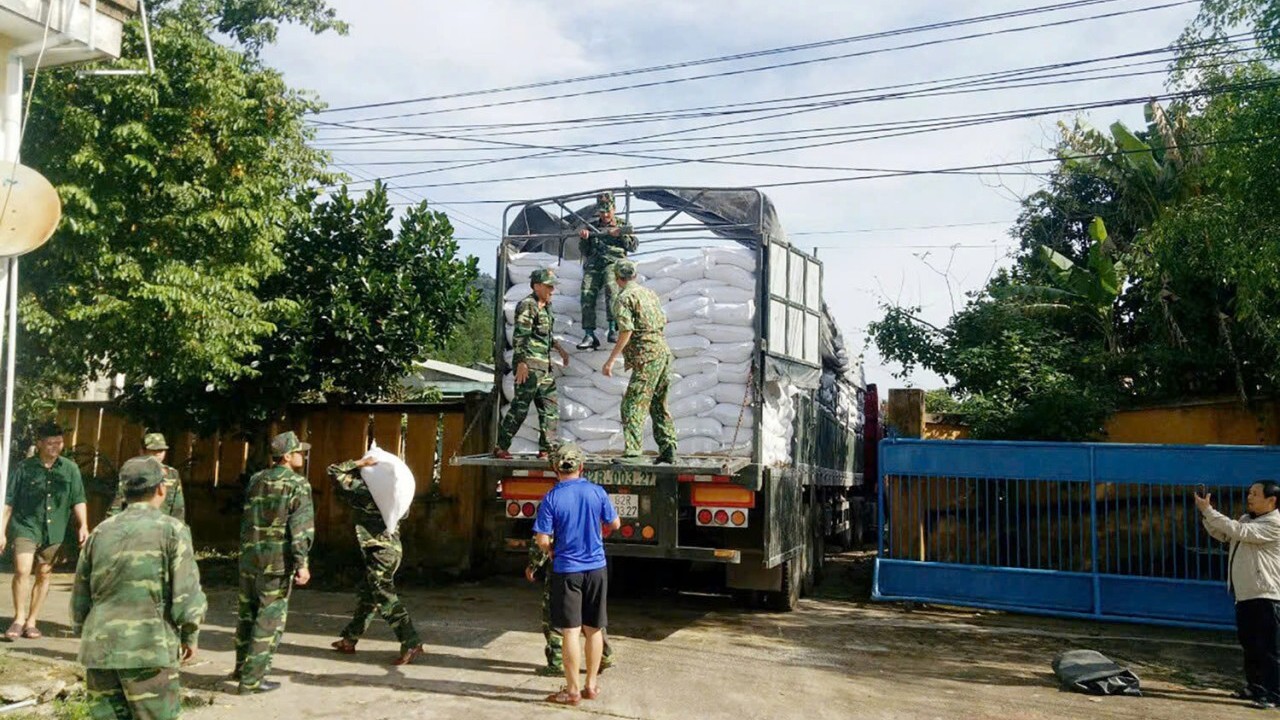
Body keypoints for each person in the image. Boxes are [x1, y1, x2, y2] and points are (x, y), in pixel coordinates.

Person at [72, 456, 207, 720]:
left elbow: (80, 594)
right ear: (161, 489)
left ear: (123, 491)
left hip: (100, 650)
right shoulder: (172, 530)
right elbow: (186, 596)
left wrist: (83, 631)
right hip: (149, 651)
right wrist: (190, 634)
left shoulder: (100, 532)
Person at [532, 443, 620, 705]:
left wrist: (550, 551)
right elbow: (614, 523)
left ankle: (571, 691)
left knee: (570, 632)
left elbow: (542, 539)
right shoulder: (597, 492)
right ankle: (591, 686)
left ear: (555, 469)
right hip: (596, 568)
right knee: (594, 629)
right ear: (582, 467)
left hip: (567, 571)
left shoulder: (552, 498)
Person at [234, 431, 315, 695]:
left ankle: (240, 668)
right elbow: (300, 528)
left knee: (247, 613)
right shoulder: (298, 484)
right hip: (276, 562)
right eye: (299, 452)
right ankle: (252, 680)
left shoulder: (257, 479)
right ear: (287, 456)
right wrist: (302, 563)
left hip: (249, 557)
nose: (302, 455)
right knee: (268, 620)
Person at [327, 456, 426, 665]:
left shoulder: (365, 491)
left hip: (379, 552)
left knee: (384, 597)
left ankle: (410, 641)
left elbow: (334, 471)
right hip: (391, 550)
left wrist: (360, 464)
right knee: (369, 596)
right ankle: (349, 639)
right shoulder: (391, 495)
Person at [1, 421, 88, 641]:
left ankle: (32, 621)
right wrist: (1, 530)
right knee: (22, 570)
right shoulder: (24, 468)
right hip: (26, 526)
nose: (55, 447)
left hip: (55, 529)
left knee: (44, 573)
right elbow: (9, 501)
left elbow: (78, 499)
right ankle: (19, 618)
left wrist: (83, 525)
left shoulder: (70, 468)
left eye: (59, 443)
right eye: (50, 443)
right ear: (39, 444)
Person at [1197, 482, 1280, 709]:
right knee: (1250, 646)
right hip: (1245, 594)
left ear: (1271, 500)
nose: (1249, 497)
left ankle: (1275, 694)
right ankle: (1255, 688)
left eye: (1255, 494)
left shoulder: (1274, 523)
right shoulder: (1247, 519)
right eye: (1249, 493)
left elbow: (1239, 532)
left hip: (1266, 595)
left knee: (1269, 649)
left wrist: (1209, 511)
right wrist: (1207, 516)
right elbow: (1225, 533)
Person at [601, 259, 678, 464]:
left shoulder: (623, 298)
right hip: (663, 352)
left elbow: (626, 330)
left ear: (618, 278)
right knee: (658, 404)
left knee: (632, 404)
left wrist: (610, 360)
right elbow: (663, 321)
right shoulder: (650, 294)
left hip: (647, 356)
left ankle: (633, 453)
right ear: (634, 275)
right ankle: (668, 448)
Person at [494, 267, 570, 459]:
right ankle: (501, 446)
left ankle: (547, 448)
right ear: (536, 286)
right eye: (548, 286)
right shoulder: (528, 305)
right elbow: (521, 335)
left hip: (545, 368)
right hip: (529, 367)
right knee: (520, 408)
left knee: (550, 410)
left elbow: (544, 334)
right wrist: (521, 363)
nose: (552, 290)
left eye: (553, 287)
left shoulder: (548, 307)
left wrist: (560, 349)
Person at [526, 539, 614, 677]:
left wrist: (533, 564)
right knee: (591, 619)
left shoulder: (555, 515)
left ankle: (556, 663)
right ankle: (604, 655)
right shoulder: (591, 516)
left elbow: (543, 539)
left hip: (564, 569)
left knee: (557, 618)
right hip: (592, 567)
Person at [576, 192, 637, 350]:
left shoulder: (623, 224)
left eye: (607, 211)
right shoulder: (592, 226)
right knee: (586, 291)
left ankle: (613, 328)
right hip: (595, 264)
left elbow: (633, 246)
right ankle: (589, 334)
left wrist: (620, 234)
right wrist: (584, 239)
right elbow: (585, 251)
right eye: (602, 211)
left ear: (614, 209)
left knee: (611, 286)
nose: (605, 215)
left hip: (613, 262)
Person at [108, 432, 186, 523]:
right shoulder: (132, 472)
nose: (158, 454)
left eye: (161, 450)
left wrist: (177, 531)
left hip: (162, 530)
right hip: (133, 527)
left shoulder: (172, 474)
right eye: (153, 450)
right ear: (142, 451)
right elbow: (116, 505)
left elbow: (178, 509)